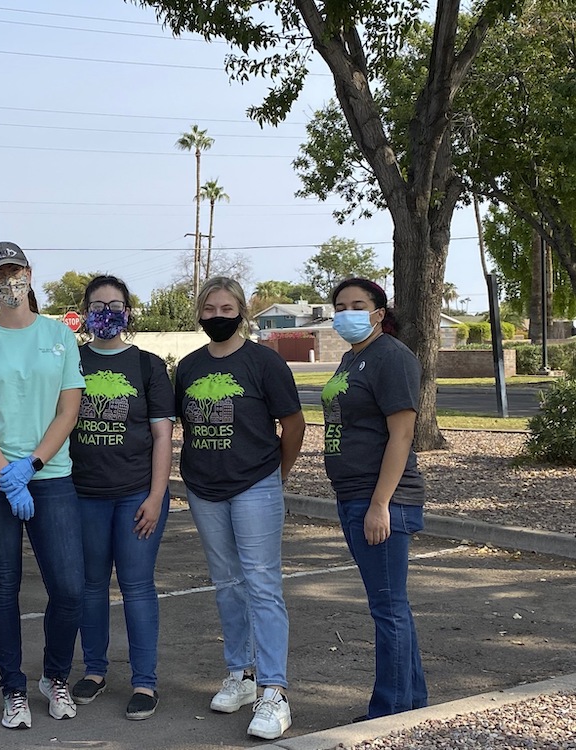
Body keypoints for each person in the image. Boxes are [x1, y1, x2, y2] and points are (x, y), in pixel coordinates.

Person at [0, 241, 86, 730]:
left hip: (49, 476)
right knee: (2, 585)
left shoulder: (59, 336)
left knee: (69, 587)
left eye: (16, 270)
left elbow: (68, 409)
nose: (9, 280)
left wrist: (30, 465)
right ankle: (13, 687)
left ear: (30, 274)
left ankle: (55, 676)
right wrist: (7, 476)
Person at [174, 276, 305, 741]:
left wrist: (277, 475)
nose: (217, 316)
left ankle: (275, 691)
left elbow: (293, 425)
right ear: (199, 314)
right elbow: (183, 426)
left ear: (242, 311)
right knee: (228, 585)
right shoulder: (188, 367)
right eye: (209, 309)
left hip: (255, 486)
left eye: (226, 308)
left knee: (263, 585)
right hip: (204, 488)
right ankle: (241, 675)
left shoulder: (265, 363)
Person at [68, 275, 175, 721]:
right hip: (82, 495)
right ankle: (94, 671)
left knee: (136, 587)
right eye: (97, 304)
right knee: (90, 587)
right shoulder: (69, 362)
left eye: (115, 304)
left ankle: (144, 681)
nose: (106, 312)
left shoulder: (148, 366)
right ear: (85, 311)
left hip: (136, 495)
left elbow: (163, 435)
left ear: (129, 311)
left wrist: (156, 495)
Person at [322, 277, 428, 720]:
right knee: (391, 606)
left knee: (387, 608)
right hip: (353, 494)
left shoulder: (392, 357)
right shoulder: (352, 358)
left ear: (379, 313)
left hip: (381, 498)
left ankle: (389, 711)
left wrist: (380, 503)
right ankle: (413, 700)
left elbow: (402, 434)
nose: (348, 311)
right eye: (340, 305)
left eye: (358, 304)